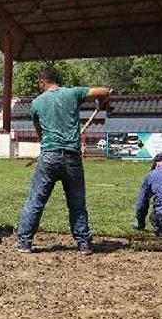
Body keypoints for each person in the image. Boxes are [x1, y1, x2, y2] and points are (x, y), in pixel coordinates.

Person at [15, 66, 111, 255]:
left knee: (36, 200)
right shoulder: (73, 93)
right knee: (77, 202)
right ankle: (84, 243)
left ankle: (24, 242)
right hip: (72, 157)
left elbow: (40, 132)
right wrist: (102, 100)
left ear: (42, 82)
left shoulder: (36, 103)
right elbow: (105, 90)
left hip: (49, 156)